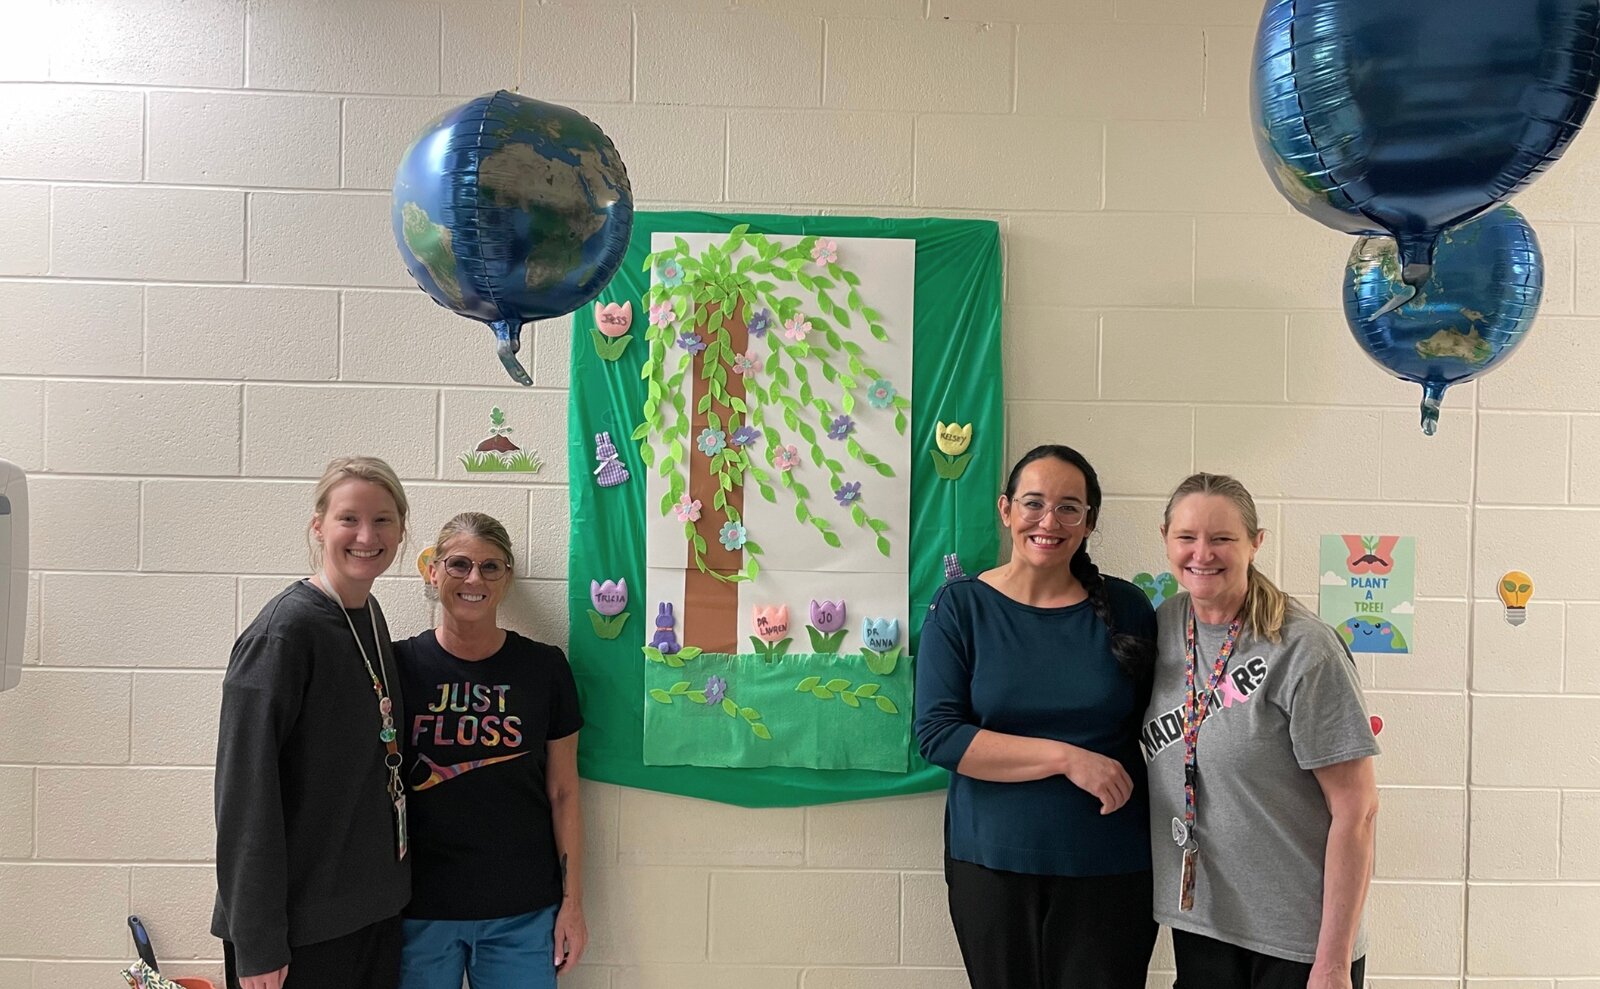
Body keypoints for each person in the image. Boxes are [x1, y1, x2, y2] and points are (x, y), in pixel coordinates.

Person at [915, 444, 1159, 989]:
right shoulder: (960, 607)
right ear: (1006, 511)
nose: (1049, 521)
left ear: (1090, 522)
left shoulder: (1129, 609)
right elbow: (939, 737)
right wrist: (1065, 759)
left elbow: (1162, 724)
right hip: (991, 865)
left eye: (1069, 507)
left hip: (1111, 866)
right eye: (1033, 504)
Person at [1145, 473, 1380, 989]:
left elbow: (1356, 812)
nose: (1202, 553)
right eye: (1187, 537)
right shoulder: (1161, 628)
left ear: (1256, 543)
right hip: (1202, 924)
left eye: (1222, 538)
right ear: (1165, 537)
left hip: (1297, 940)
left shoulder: (1303, 648)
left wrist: (1333, 961)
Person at [213, 456, 412, 989]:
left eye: (383, 519)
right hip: (300, 935)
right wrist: (256, 944)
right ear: (318, 525)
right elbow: (245, 798)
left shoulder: (367, 615)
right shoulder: (284, 634)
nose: (366, 535)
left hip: (369, 914)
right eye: (349, 518)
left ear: (401, 530)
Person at [393, 512, 585, 989]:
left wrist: (573, 904)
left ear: (507, 578)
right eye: (458, 564)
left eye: (490, 567)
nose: (474, 579)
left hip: (521, 913)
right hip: (417, 912)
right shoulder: (399, 666)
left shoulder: (545, 669)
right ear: (432, 571)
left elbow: (563, 792)